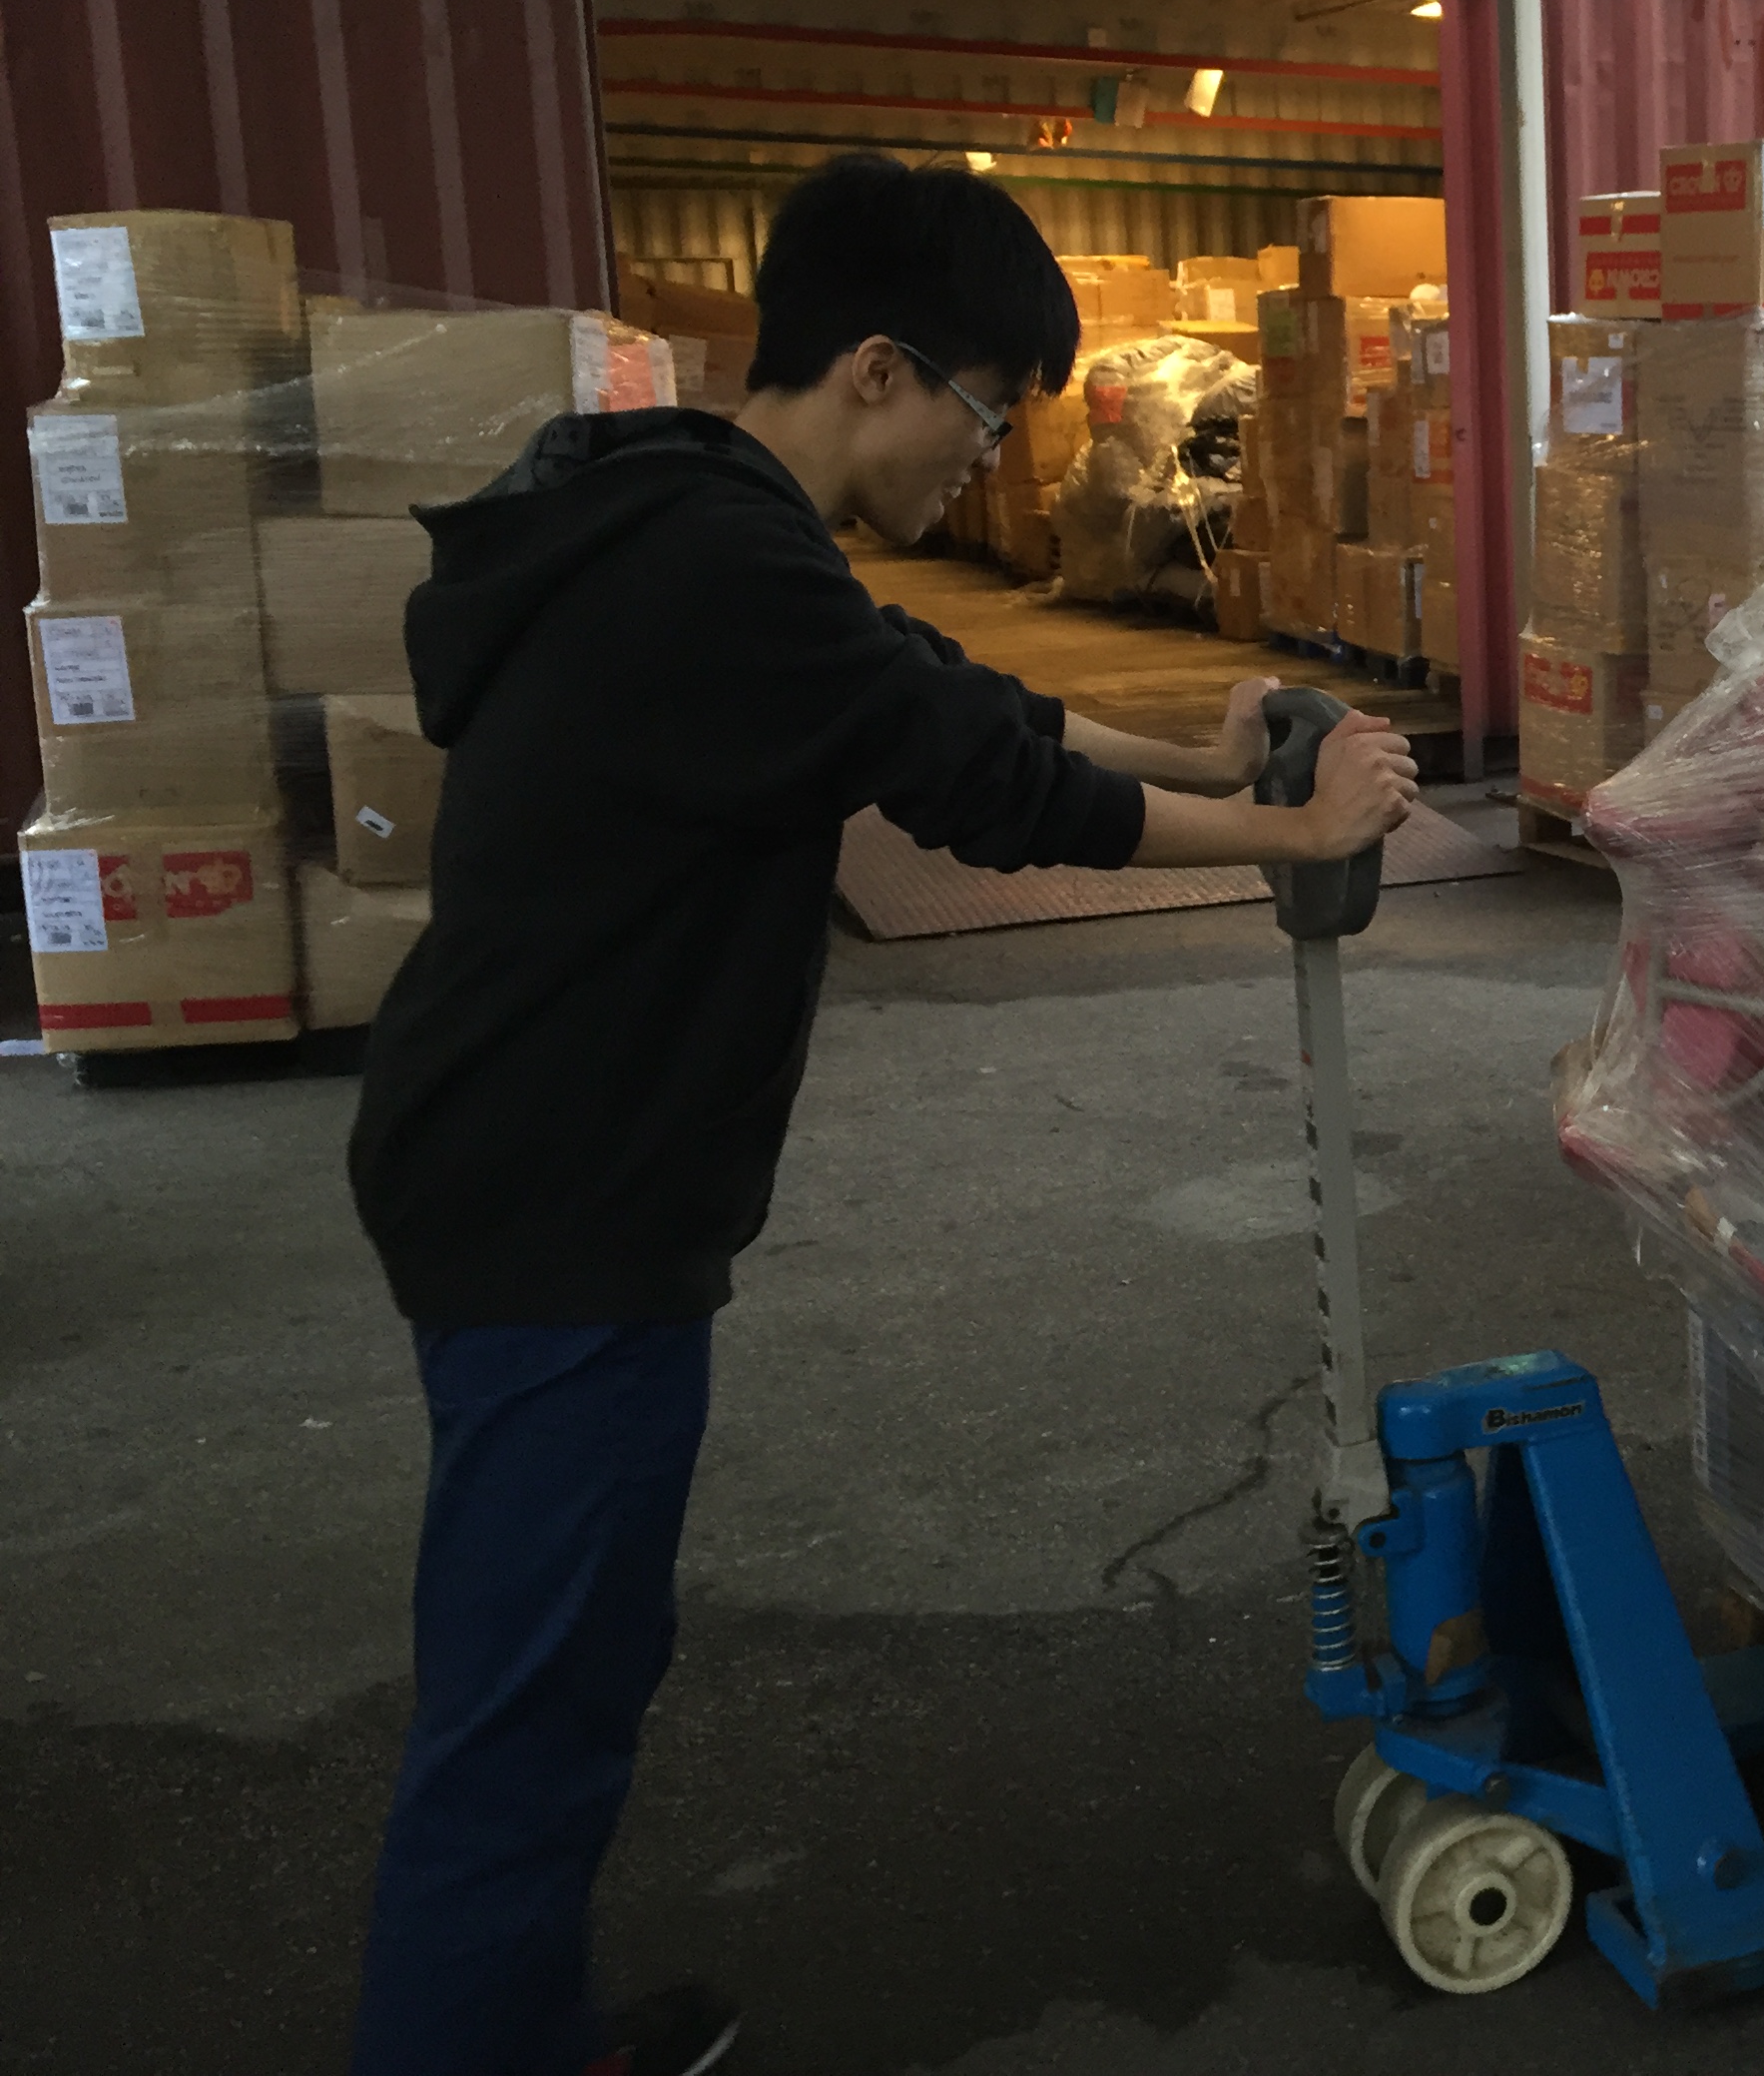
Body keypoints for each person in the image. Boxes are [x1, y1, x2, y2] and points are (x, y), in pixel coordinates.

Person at [342, 154, 1419, 2076]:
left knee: (567, 1661)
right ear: (871, 369)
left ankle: (508, 2026)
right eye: (983, 411)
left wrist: (1202, 739)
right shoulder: (711, 561)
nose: (983, 458)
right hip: (558, 1200)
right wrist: (1285, 828)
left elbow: (932, 691)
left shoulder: (683, 516)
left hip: (537, 1165)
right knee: (533, 1698)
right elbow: (978, 788)